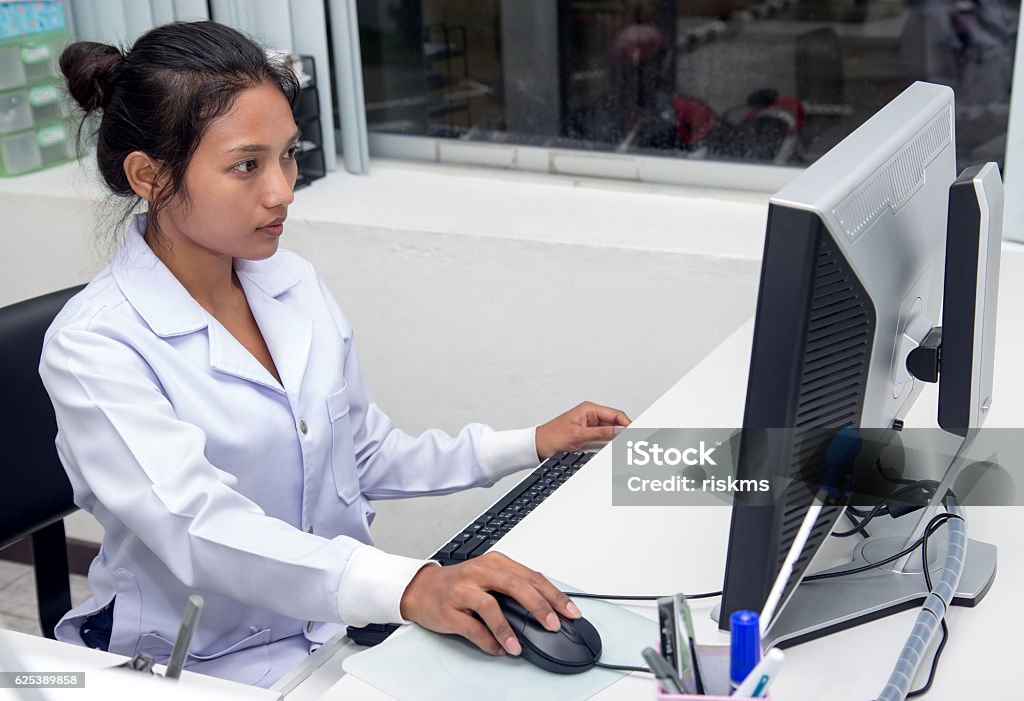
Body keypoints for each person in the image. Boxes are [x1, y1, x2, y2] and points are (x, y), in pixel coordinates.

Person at [41, 20, 630, 687]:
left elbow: (365, 454)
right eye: (246, 165)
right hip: (196, 661)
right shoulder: (94, 345)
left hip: (331, 633)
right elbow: (199, 528)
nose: (283, 190)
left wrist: (530, 442)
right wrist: (411, 586)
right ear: (149, 175)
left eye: (288, 155)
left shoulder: (290, 283)